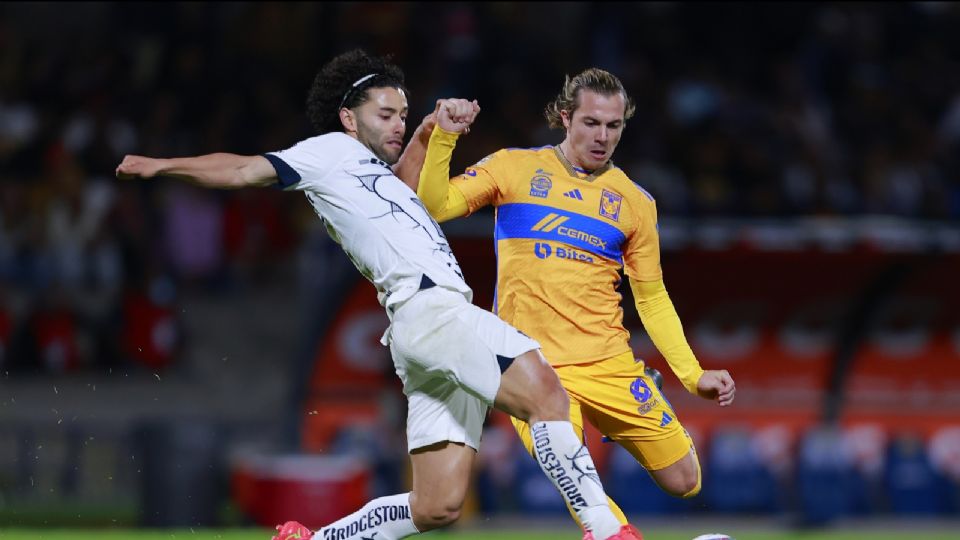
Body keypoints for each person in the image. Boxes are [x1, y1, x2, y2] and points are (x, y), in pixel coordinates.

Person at [116, 50, 642, 540]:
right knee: (546, 393)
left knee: (436, 505)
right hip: (432, 311)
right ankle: (605, 529)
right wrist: (163, 166)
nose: (397, 124)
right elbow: (243, 169)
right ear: (349, 118)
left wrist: (430, 130)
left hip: (423, 330)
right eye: (387, 115)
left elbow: (407, 192)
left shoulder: (371, 172)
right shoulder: (327, 153)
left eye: (403, 114)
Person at [416, 68, 736, 533]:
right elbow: (436, 205)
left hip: (609, 362)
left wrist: (692, 375)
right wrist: (444, 136)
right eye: (591, 122)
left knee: (685, 480)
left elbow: (652, 297)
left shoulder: (634, 203)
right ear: (565, 117)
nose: (602, 136)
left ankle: (625, 409)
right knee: (579, 480)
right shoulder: (513, 168)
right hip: (534, 371)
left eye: (614, 125)